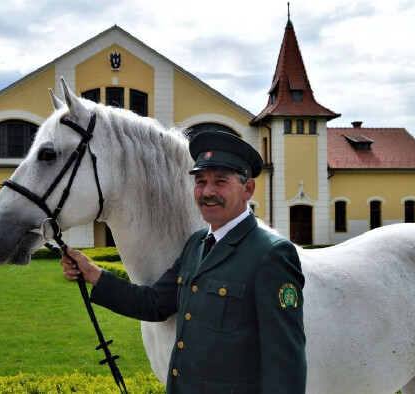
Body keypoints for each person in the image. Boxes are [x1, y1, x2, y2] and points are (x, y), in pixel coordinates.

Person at [61, 130, 306, 393]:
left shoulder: (271, 255)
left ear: (248, 189)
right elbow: (154, 303)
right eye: (200, 182)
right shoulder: (196, 245)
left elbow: (285, 364)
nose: (207, 192)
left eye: (220, 181)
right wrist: (94, 274)